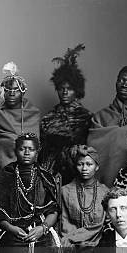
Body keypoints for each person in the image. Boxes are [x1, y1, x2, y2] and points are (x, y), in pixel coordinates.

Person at [39, 44, 93, 186]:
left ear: (77, 91)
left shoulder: (86, 117)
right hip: (48, 177)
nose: (64, 92)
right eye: (61, 88)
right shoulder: (48, 118)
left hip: (76, 175)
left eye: (69, 89)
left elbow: (90, 151)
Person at [0, 62, 42, 169]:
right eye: (7, 90)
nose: (11, 94)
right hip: (1, 170)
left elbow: (35, 146)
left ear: (23, 92)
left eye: (16, 90)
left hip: (28, 170)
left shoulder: (33, 114)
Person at [60, 145, 109, 248]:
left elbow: (107, 225)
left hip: (100, 244)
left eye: (89, 164)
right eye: (80, 164)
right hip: (72, 243)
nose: (84, 168)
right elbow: (65, 223)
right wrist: (77, 242)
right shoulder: (65, 191)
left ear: (97, 167)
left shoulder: (105, 192)